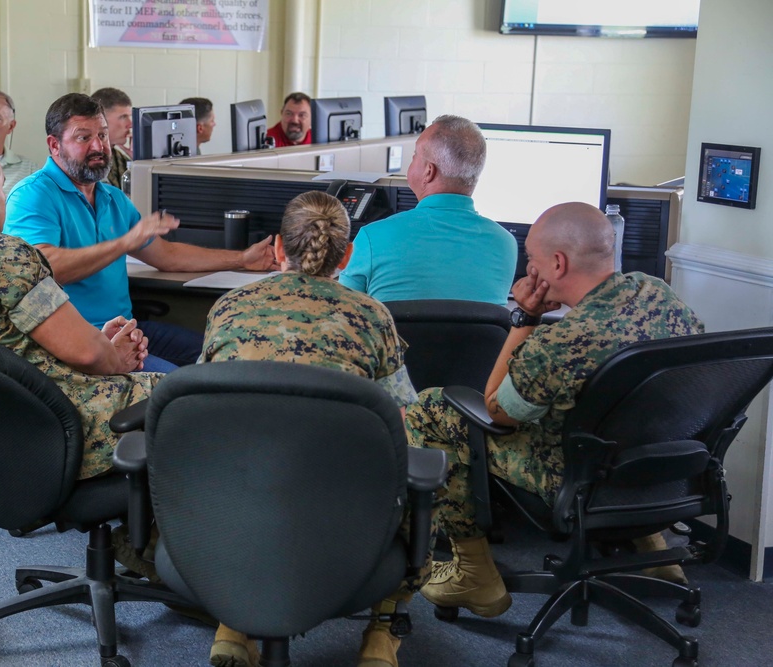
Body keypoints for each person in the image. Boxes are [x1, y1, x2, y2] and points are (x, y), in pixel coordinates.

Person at [405, 202, 703, 619]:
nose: (528, 268)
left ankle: (474, 573)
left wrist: (524, 318)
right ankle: (653, 546)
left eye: (531, 258)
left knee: (435, 408)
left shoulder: (560, 345)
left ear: (557, 264)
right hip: (662, 471)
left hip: (579, 479)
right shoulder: (656, 293)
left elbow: (496, 409)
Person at [200, 191, 420, 667]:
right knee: (427, 454)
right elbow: (405, 421)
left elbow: (201, 404)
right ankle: (382, 634)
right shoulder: (371, 316)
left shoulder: (228, 307)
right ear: (347, 254)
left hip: (236, 493)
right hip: (340, 501)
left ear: (279, 247)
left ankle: (233, 625)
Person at [0, 137, 160, 481]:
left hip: (11, 427)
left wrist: (99, 342)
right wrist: (113, 356)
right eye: (2, 191)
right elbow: (86, 356)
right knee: (195, 397)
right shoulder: (5, 256)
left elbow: (3, 342)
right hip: (73, 420)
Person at [4, 93, 277, 371]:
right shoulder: (33, 195)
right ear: (54, 145)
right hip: (81, 345)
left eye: (102, 135)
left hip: (128, 332)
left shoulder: (112, 197)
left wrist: (242, 259)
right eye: (83, 138)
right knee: (182, 387)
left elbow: (167, 256)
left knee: (228, 353)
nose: (99, 146)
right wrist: (124, 242)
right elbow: (45, 269)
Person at [339, 115, 518, 304]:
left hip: (395, 335)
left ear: (428, 172)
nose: (411, 161)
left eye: (414, 156)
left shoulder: (372, 237)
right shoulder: (505, 244)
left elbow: (342, 311)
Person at [90, 86, 134, 190]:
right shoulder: (87, 160)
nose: (130, 124)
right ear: (100, 120)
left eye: (129, 117)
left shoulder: (119, 159)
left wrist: (138, 162)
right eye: (123, 117)